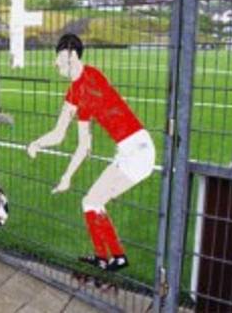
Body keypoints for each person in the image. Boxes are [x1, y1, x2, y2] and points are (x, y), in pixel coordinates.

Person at [27, 34, 156, 272]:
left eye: (59, 56)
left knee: (91, 201)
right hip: (130, 151)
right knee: (93, 202)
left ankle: (108, 257)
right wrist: (36, 143)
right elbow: (59, 133)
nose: (55, 63)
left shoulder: (90, 81)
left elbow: (84, 146)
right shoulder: (76, 89)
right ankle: (113, 258)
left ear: (72, 55)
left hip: (138, 151)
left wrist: (67, 177)